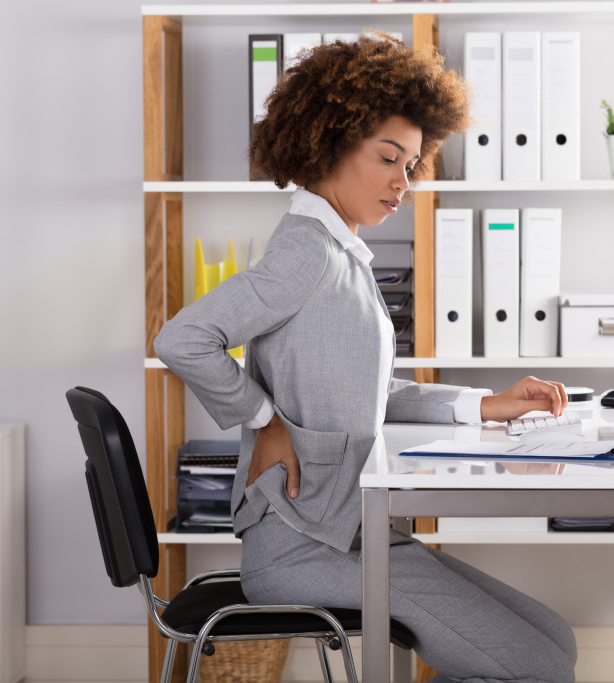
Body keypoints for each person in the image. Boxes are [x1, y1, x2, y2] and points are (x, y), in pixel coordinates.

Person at [154, 34, 577, 683]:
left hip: (348, 531)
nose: (403, 182)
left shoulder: (339, 251)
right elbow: (181, 338)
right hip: (306, 548)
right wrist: (265, 420)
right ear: (328, 142)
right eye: (388, 158)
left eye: (411, 163)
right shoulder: (309, 254)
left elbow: (365, 388)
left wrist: (485, 404)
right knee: (538, 664)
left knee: (555, 639)